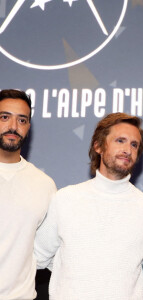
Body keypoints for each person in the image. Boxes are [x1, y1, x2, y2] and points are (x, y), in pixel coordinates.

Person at [34, 112, 143, 300]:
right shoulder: (65, 199)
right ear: (98, 146)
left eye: (134, 144)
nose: (128, 149)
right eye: (120, 140)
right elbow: (38, 257)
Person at [0, 89, 56, 299]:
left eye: (21, 120)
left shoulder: (44, 185)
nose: (13, 127)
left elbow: (49, 254)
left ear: (29, 127)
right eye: (4, 117)